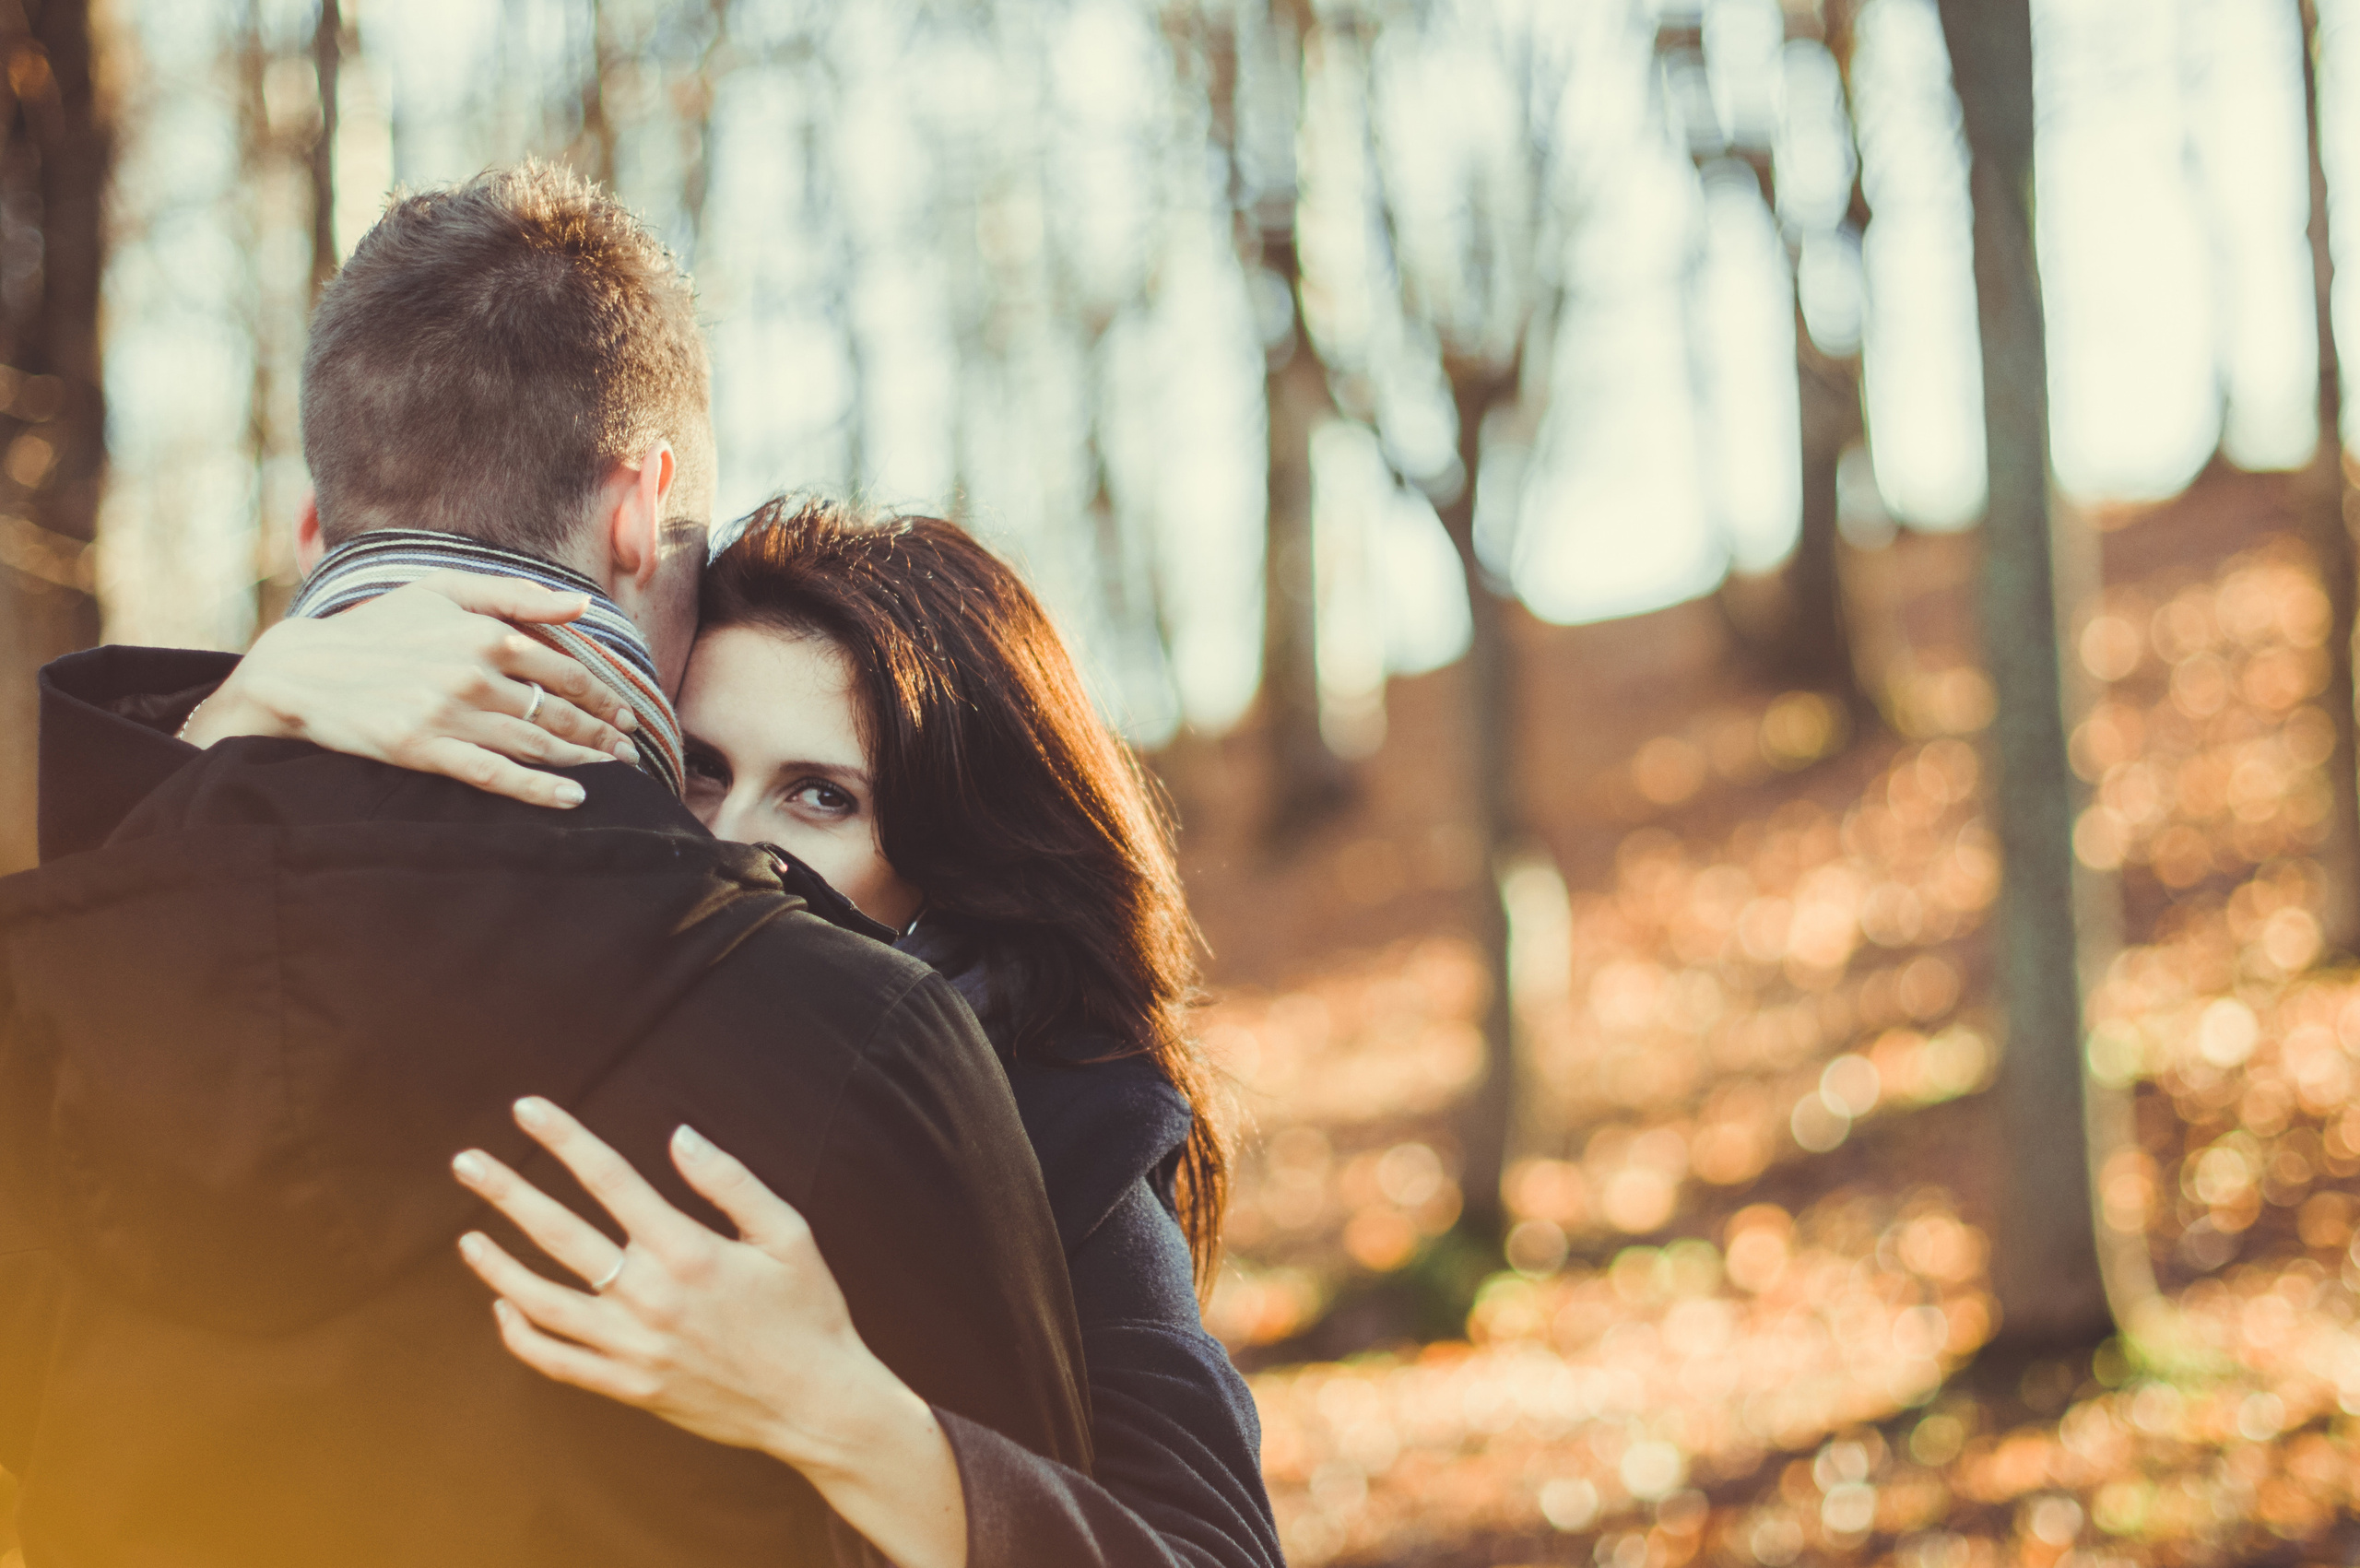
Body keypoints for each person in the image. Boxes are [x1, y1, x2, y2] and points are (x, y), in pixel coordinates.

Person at [0, 163, 1091, 1568]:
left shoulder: (52, 1006)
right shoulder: (866, 1040)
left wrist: (202, 743)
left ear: (316, 534)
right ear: (640, 508)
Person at [38, 499, 1288, 1568]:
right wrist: (222, 732)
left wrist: (837, 1409)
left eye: (820, 796)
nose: (729, 841)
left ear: (945, 866)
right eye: (698, 770)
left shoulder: (1061, 1122)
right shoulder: (569, 1005)